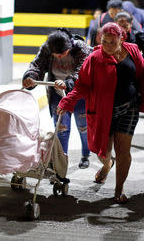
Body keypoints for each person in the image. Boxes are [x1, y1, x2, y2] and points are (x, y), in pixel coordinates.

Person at [57, 22, 144, 204]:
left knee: (123, 150)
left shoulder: (132, 51)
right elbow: (82, 85)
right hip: (102, 111)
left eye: (112, 42)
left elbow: (142, 77)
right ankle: (107, 165)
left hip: (129, 108)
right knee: (103, 151)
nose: (107, 46)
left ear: (121, 39)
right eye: (104, 41)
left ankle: (119, 189)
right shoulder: (94, 58)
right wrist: (67, 101)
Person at [22, 28, 93, 169]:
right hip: (57, 93)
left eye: (63, 54)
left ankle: (86, 154)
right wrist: (30, 77)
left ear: (69, 46)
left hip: (79, 94)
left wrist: (67, 84)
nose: (60, 57)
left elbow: (82, 72)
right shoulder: (46, 49)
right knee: (61, 128)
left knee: (83, 126)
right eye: (56, 55)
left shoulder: (82, 48)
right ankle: (61, 162)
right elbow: (36, 66)